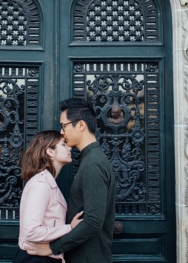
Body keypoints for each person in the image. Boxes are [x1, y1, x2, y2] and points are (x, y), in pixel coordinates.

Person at [27, 98, 116, 263]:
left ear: (81, 125)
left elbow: (93, 222)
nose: (61, 132)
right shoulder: (89, 160)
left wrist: (52, 248)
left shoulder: (93, 164)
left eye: (64, 126)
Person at [14, 130, 84, 263]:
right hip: (36, 259)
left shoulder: (47, 182)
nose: (70, 147)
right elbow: (31, 231)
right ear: (50, 152)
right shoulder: (41, 185)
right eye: (63, 144)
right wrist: (70, 227)